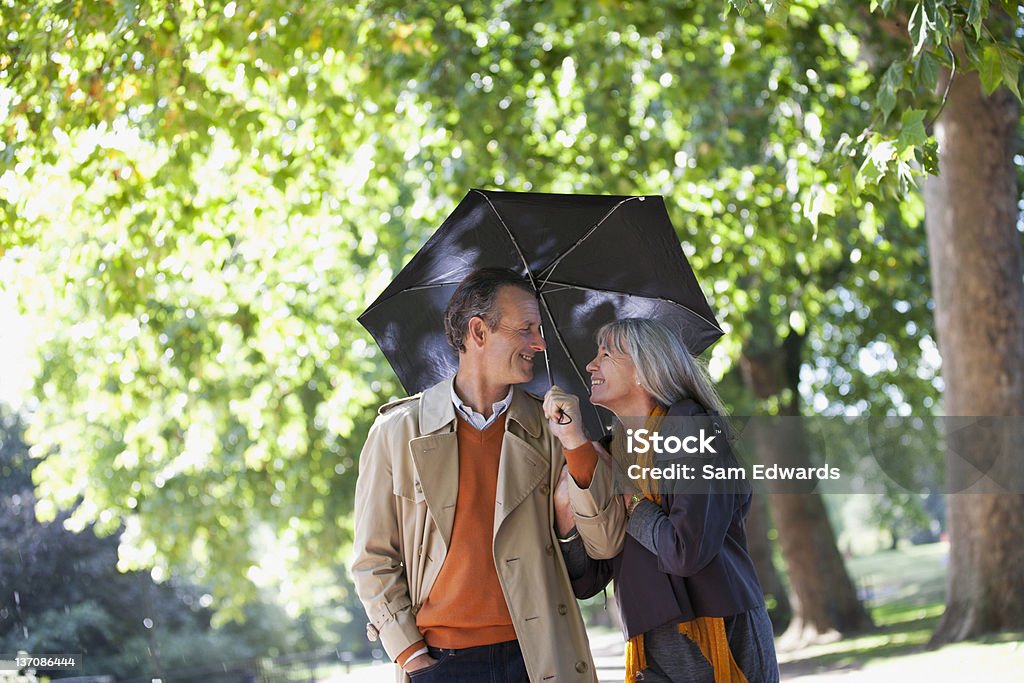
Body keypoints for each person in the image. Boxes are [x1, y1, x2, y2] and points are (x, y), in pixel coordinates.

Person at [351, 267, 621, 682]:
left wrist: (575, 442)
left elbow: (605, 544)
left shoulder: (555, 428)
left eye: (539, 329)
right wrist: (412, 657)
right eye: (526, 329)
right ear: (478, 332)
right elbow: (373, 560)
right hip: (441, 664)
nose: (539, 342)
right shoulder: (397, 432)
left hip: (538, 658)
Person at [543, 318, 779, 683]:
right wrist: (566, 506)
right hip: (652, 644)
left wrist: (632, 501)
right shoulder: (611, 453)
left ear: (643, 369)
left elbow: (686, 550)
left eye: (606, 354)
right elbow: (587, 580)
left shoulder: (693, 428)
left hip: (720, 631)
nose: (591, 365)